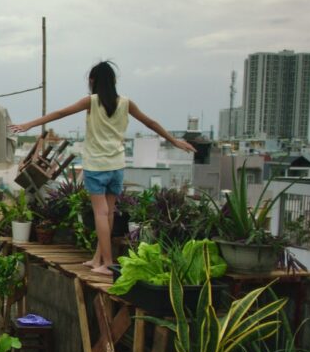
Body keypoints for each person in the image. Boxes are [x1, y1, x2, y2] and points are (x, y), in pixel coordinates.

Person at [10, 61, 196, 274]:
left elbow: (60, 113)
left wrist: (28, 125)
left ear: (92, 81)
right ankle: (97, 259)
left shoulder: (91, 101)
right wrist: (174, 141)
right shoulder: (126, 103)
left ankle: (107, 263)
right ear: (114, 81)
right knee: (108, 213)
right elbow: (150, 123)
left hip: (96, 166)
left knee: (100, 214)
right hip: (116, 166)